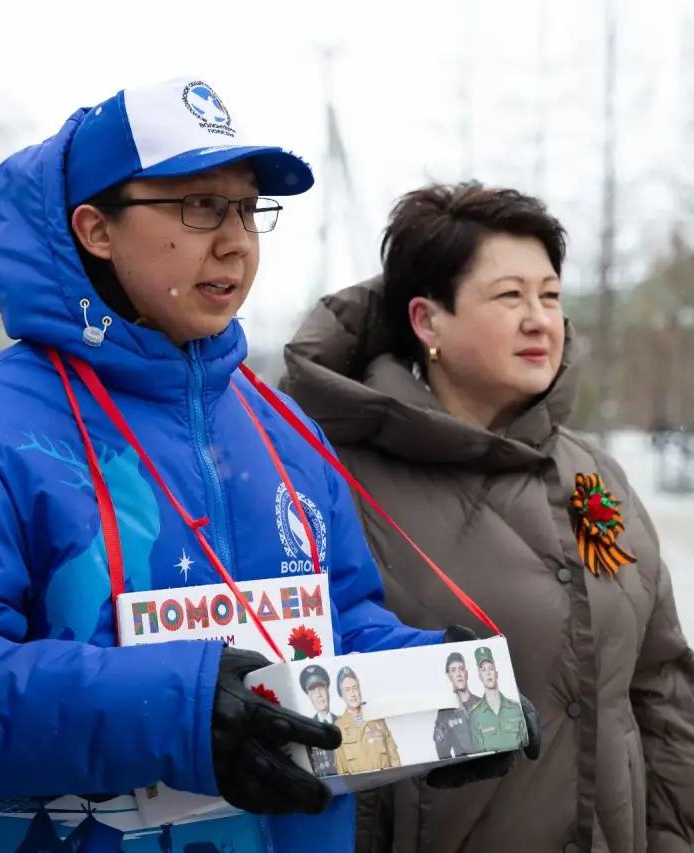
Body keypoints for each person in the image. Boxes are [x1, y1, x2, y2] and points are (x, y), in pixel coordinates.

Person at [0, 77, 496, 853]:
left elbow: (339, 625)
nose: (235, 241)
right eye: (199, 208)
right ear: (95, 229)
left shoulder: (283, 428)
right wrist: (176, 710)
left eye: (247, 208)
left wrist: (437, 681)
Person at [282, 181, 692, 852]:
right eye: (509, 296)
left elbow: (662, 689)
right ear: (427, 321)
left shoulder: (595, 476)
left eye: (551, 295)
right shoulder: (334, 481)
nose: (541, 319)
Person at [334, 667, 400, 774]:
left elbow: (394, 758)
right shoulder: (339, 727)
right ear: (341, 695)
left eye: (355, 688)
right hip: (361, 787)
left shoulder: (377, 719)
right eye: (347, 690)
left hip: (386, 783)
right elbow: (341, 769)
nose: (353, 694)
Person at [467, 647, 526, 753]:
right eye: (483, 670)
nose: (488, 673)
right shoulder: (475, 715)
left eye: (490, 668)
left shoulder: (515, 708)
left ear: (496, 673)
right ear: (480, 676)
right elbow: (479, 754)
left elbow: (525, 744)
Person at [433, 651, 480, 760]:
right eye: (453, 670)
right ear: (449, 676)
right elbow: (442, 752)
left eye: (461, 669)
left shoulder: (482, 703)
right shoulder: (445, 712)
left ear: (466, 673)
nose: (458, 674)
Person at [300, 665, 339, 777]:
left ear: (327, 690)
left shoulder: (344, 723)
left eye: (321, 688)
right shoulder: (306, 729)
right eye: (312, 690)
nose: (319, 695)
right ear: (309, 696)